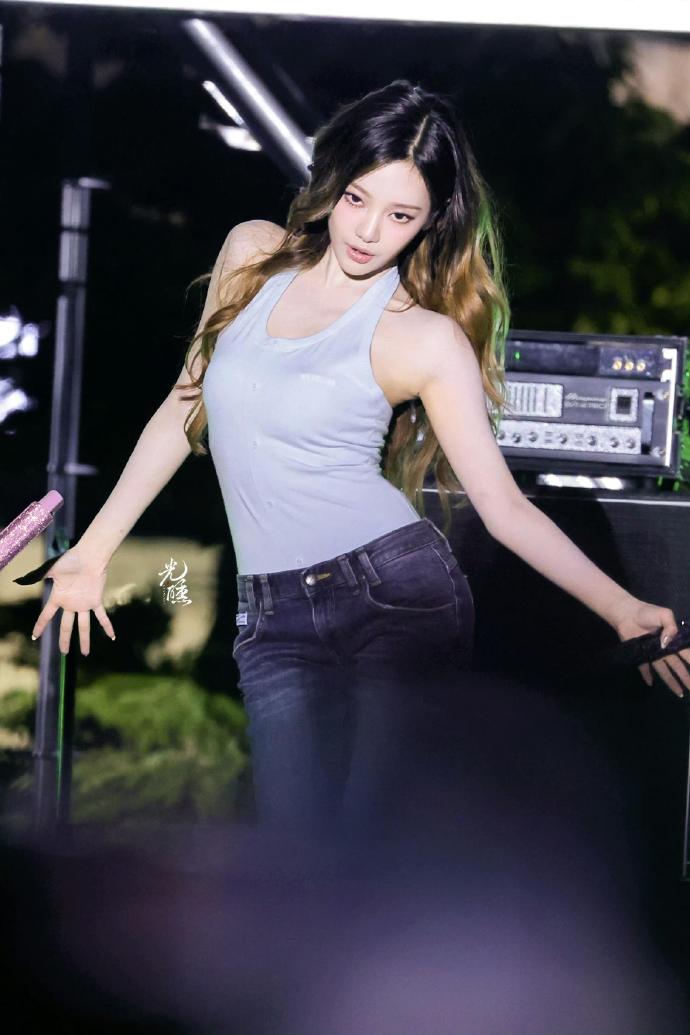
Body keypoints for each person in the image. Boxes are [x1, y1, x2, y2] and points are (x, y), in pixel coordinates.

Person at [29, 80, 689, 837]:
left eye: (401, 215)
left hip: (394, 598)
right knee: (297, 852)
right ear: (331, 182)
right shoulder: (252, 256)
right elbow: (185, 406)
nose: (370, 231)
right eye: (356, 199)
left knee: (367, 852)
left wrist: (624, 609)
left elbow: (504, 508)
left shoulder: (425, 339)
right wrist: (92, 552)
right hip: (270, 617)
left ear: (432, 221)